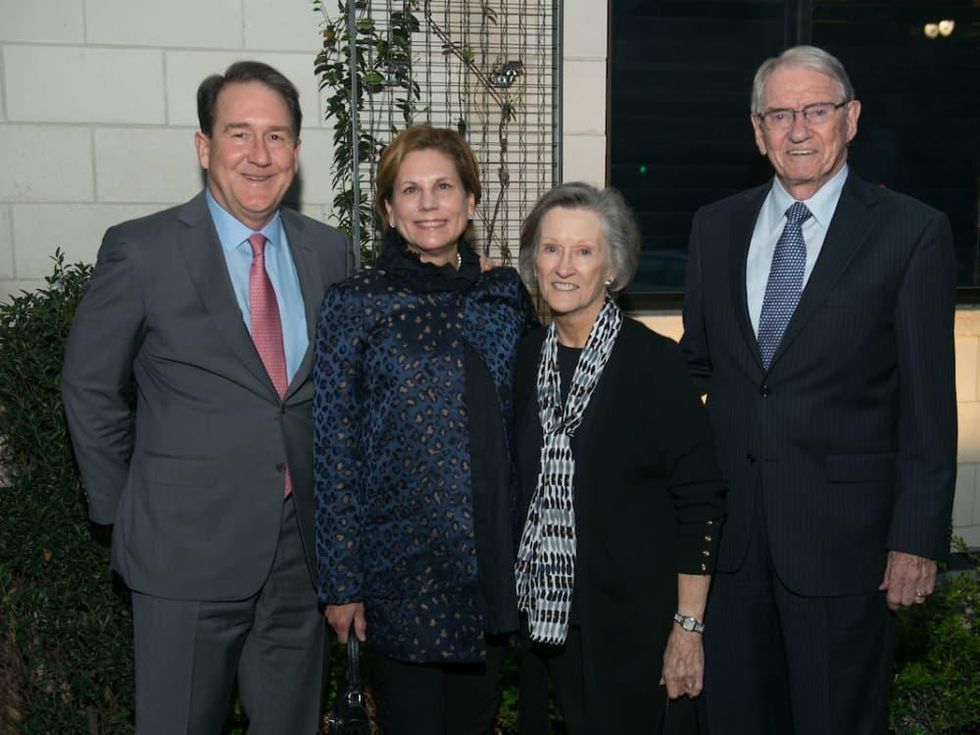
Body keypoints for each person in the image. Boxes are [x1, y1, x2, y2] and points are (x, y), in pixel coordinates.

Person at [61, 61, 353, 734]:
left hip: (298, 559)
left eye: (277, 136)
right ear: (204, 147)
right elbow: (89, 385)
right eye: (239, 133)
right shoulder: (142, 250)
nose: (259, 154)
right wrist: (121, 508)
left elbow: (337, 394)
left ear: (297, 153)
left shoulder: (329, 252)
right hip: (180, 554)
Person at [680, 45, 957, 735]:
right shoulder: (714, 228)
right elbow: (697, 370)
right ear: (757, 129)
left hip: (847, 550)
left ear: (851, 118)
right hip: (733, 548)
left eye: (816, 110)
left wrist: (915, 539)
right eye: (779, 114)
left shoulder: (912, 232)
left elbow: (930, 404)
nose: (798, 129)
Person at [313, 124, 537, 733]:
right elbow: (334, 449)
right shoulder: (354, 302)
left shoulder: (503, 293)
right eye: (410, 190)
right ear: (388, 210)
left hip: (489, 564)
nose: (429, 202)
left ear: (470, 200)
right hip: (399, 572)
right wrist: (341, 584)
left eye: (444, 186)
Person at [513, 182, 726, 733]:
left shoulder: (655, 364)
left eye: (583, 251)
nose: (564, 266)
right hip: (547, 621)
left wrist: (688, 627)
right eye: (551, 248)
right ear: (534, 262)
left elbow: (701, 499)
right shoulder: (524, 357)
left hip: (637, 626)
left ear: (612, 267)